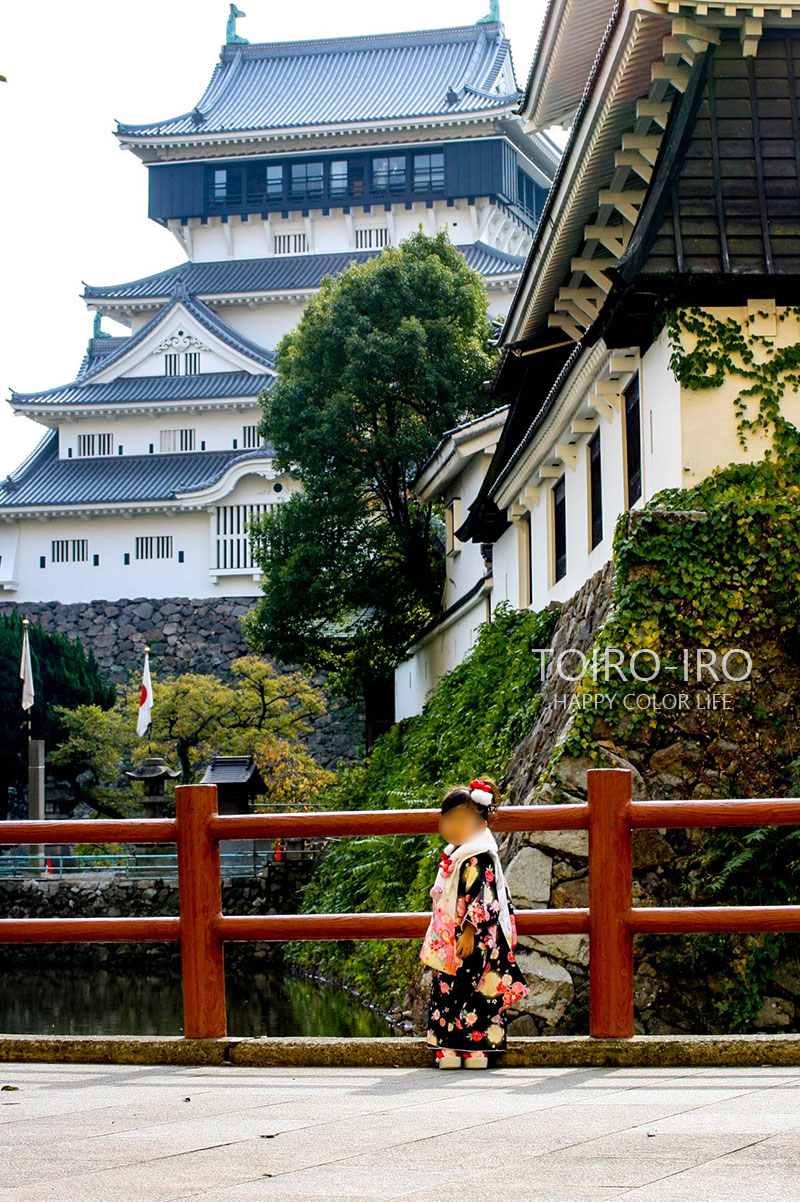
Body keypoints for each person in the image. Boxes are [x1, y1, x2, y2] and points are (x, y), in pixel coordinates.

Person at [420, 776, 530, 1069]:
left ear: (481, 825)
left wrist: (469, 931)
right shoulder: (456, 855)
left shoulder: (479, 856)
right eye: (448, 819)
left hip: (476, 938)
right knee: (447, 987)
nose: (452, 826)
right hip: (451, 935)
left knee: (478, 987)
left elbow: (484, 896)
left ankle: (477, 1048)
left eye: (461, 820)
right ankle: (448, 1047)